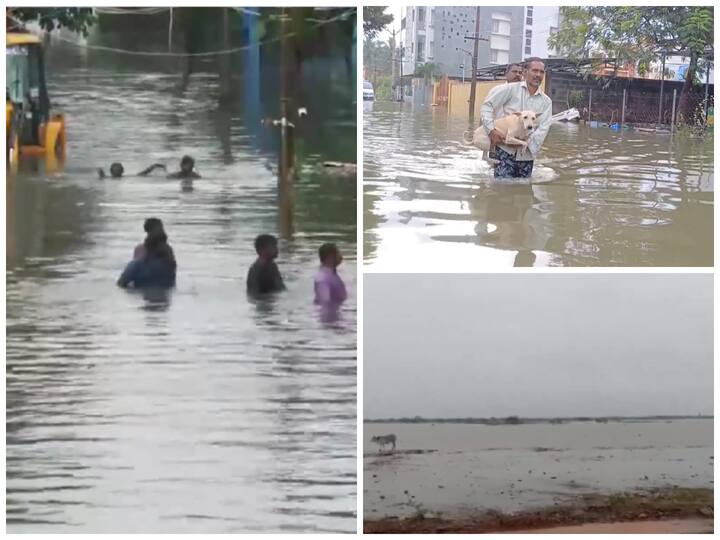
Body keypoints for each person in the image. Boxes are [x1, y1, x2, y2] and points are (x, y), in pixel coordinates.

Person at [480, 57, 552, 178]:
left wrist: (526, 145)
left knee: (524, 190)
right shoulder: (509, 90)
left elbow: (543, 128)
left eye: (541, 72)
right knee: (501, 188)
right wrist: (491, 130)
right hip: (504, 149)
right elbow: (487, 106)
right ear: (525, 72)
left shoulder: (546, 102)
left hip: (527, 154)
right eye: (534, 71)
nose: (538, 75)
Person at [98, 162, 166, 179]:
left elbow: (146, 171)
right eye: (116, 170)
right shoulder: (106, 178)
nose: (117, 172)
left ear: (122, 171)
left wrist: (156, 165)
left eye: (118, 170)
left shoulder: (107, 178)